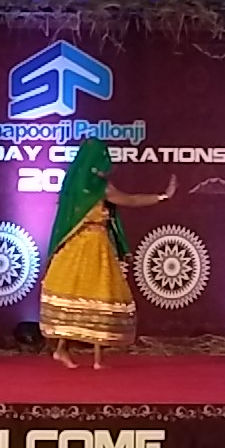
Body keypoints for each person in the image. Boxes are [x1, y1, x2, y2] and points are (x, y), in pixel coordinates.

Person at [38, 139, 176, 370]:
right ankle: (92, 358)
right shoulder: (100, 189)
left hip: (73, 250)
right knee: (98, 295)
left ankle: (67, 350)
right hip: (92, 248)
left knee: (78, 296)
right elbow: (131, 200)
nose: (107, 165)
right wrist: (163, 196)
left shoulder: (72, 186)